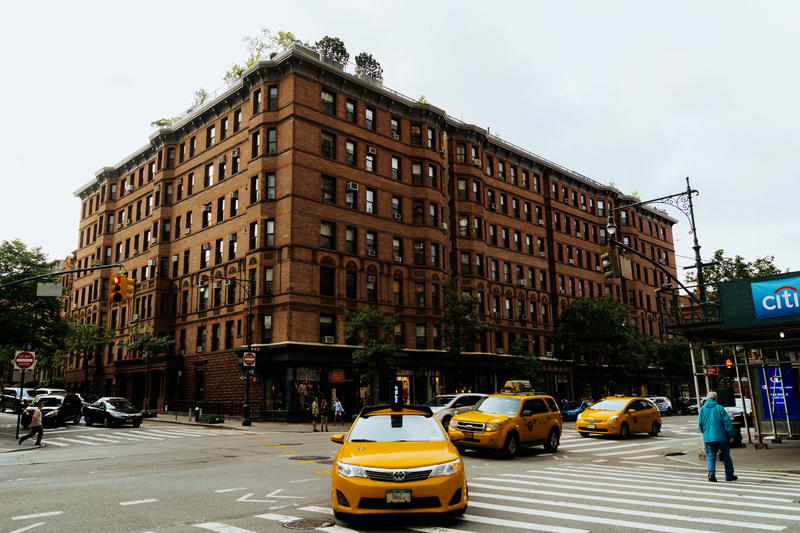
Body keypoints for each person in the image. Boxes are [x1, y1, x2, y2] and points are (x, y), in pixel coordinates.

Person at [698, 391, 737, 482]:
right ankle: (729, 475)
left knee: (711, 456)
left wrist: (705, 432)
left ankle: (711, 474)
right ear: (715, 398)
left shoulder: (703, 409)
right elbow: (727, 422)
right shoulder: (720, 408)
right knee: (726, 456)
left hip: (708, 438)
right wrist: (731, 435)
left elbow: (700, 424)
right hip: (721, 437)